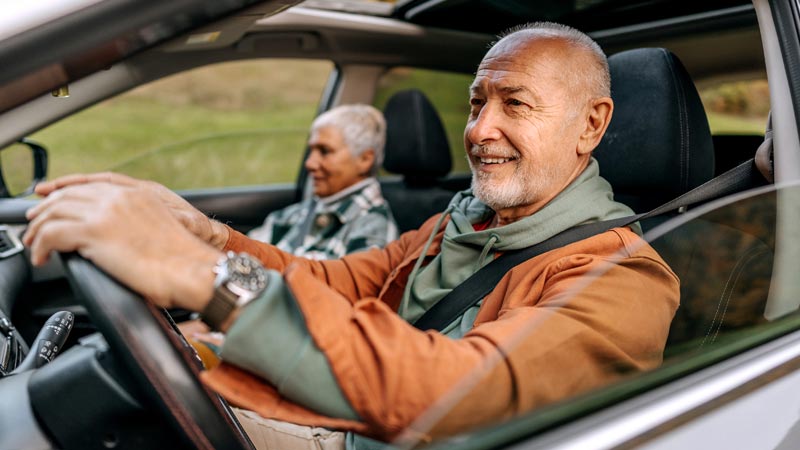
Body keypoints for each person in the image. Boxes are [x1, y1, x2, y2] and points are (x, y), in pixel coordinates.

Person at [23, 22, 679, 449]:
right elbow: (330, 283)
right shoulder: (460, 221)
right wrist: (208, 238)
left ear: (591, 126)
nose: (480, 130)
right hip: (347, 421)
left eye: (516, 103)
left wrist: (205, 279)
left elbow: (454, 392)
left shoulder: (624, 279)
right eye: (478, 102)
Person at [247, 104, 398, 260]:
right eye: (311, 151)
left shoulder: (373, 231)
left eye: (324, 151)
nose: (310, 163)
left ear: (365, 159)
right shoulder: (297, 214)